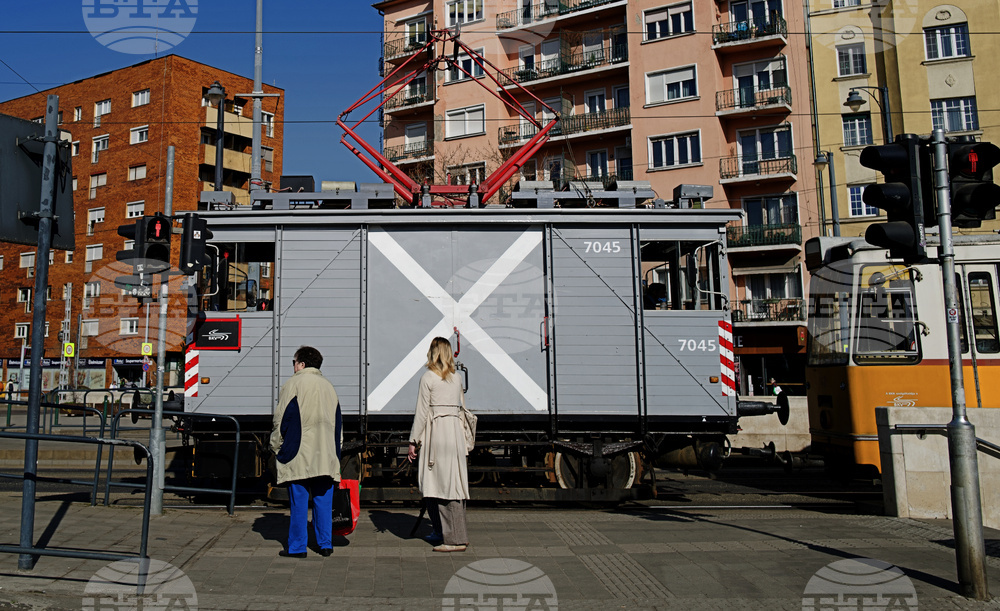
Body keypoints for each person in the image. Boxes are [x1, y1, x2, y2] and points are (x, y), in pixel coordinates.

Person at [270, 346, 342, 558]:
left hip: (299, 452)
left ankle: (298, 547)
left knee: (299, 502)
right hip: (326, 453)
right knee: (323, 500)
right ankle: (325, 544)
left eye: (294, 362)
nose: (293, 366)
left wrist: (276, 446)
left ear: (301, 364)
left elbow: (281, 420)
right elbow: (338, 424)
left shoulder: (293, 384)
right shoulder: (329, 387)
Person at [407, 337, 470, 553]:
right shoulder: (456, 378)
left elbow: (422, 412)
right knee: (450, 483)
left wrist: (413, 441)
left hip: (435, 435)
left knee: (438, 484)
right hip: (453, 433)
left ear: (433, 353)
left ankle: (454, 539)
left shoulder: (428, 378)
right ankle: (441, 531)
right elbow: (462, 409)